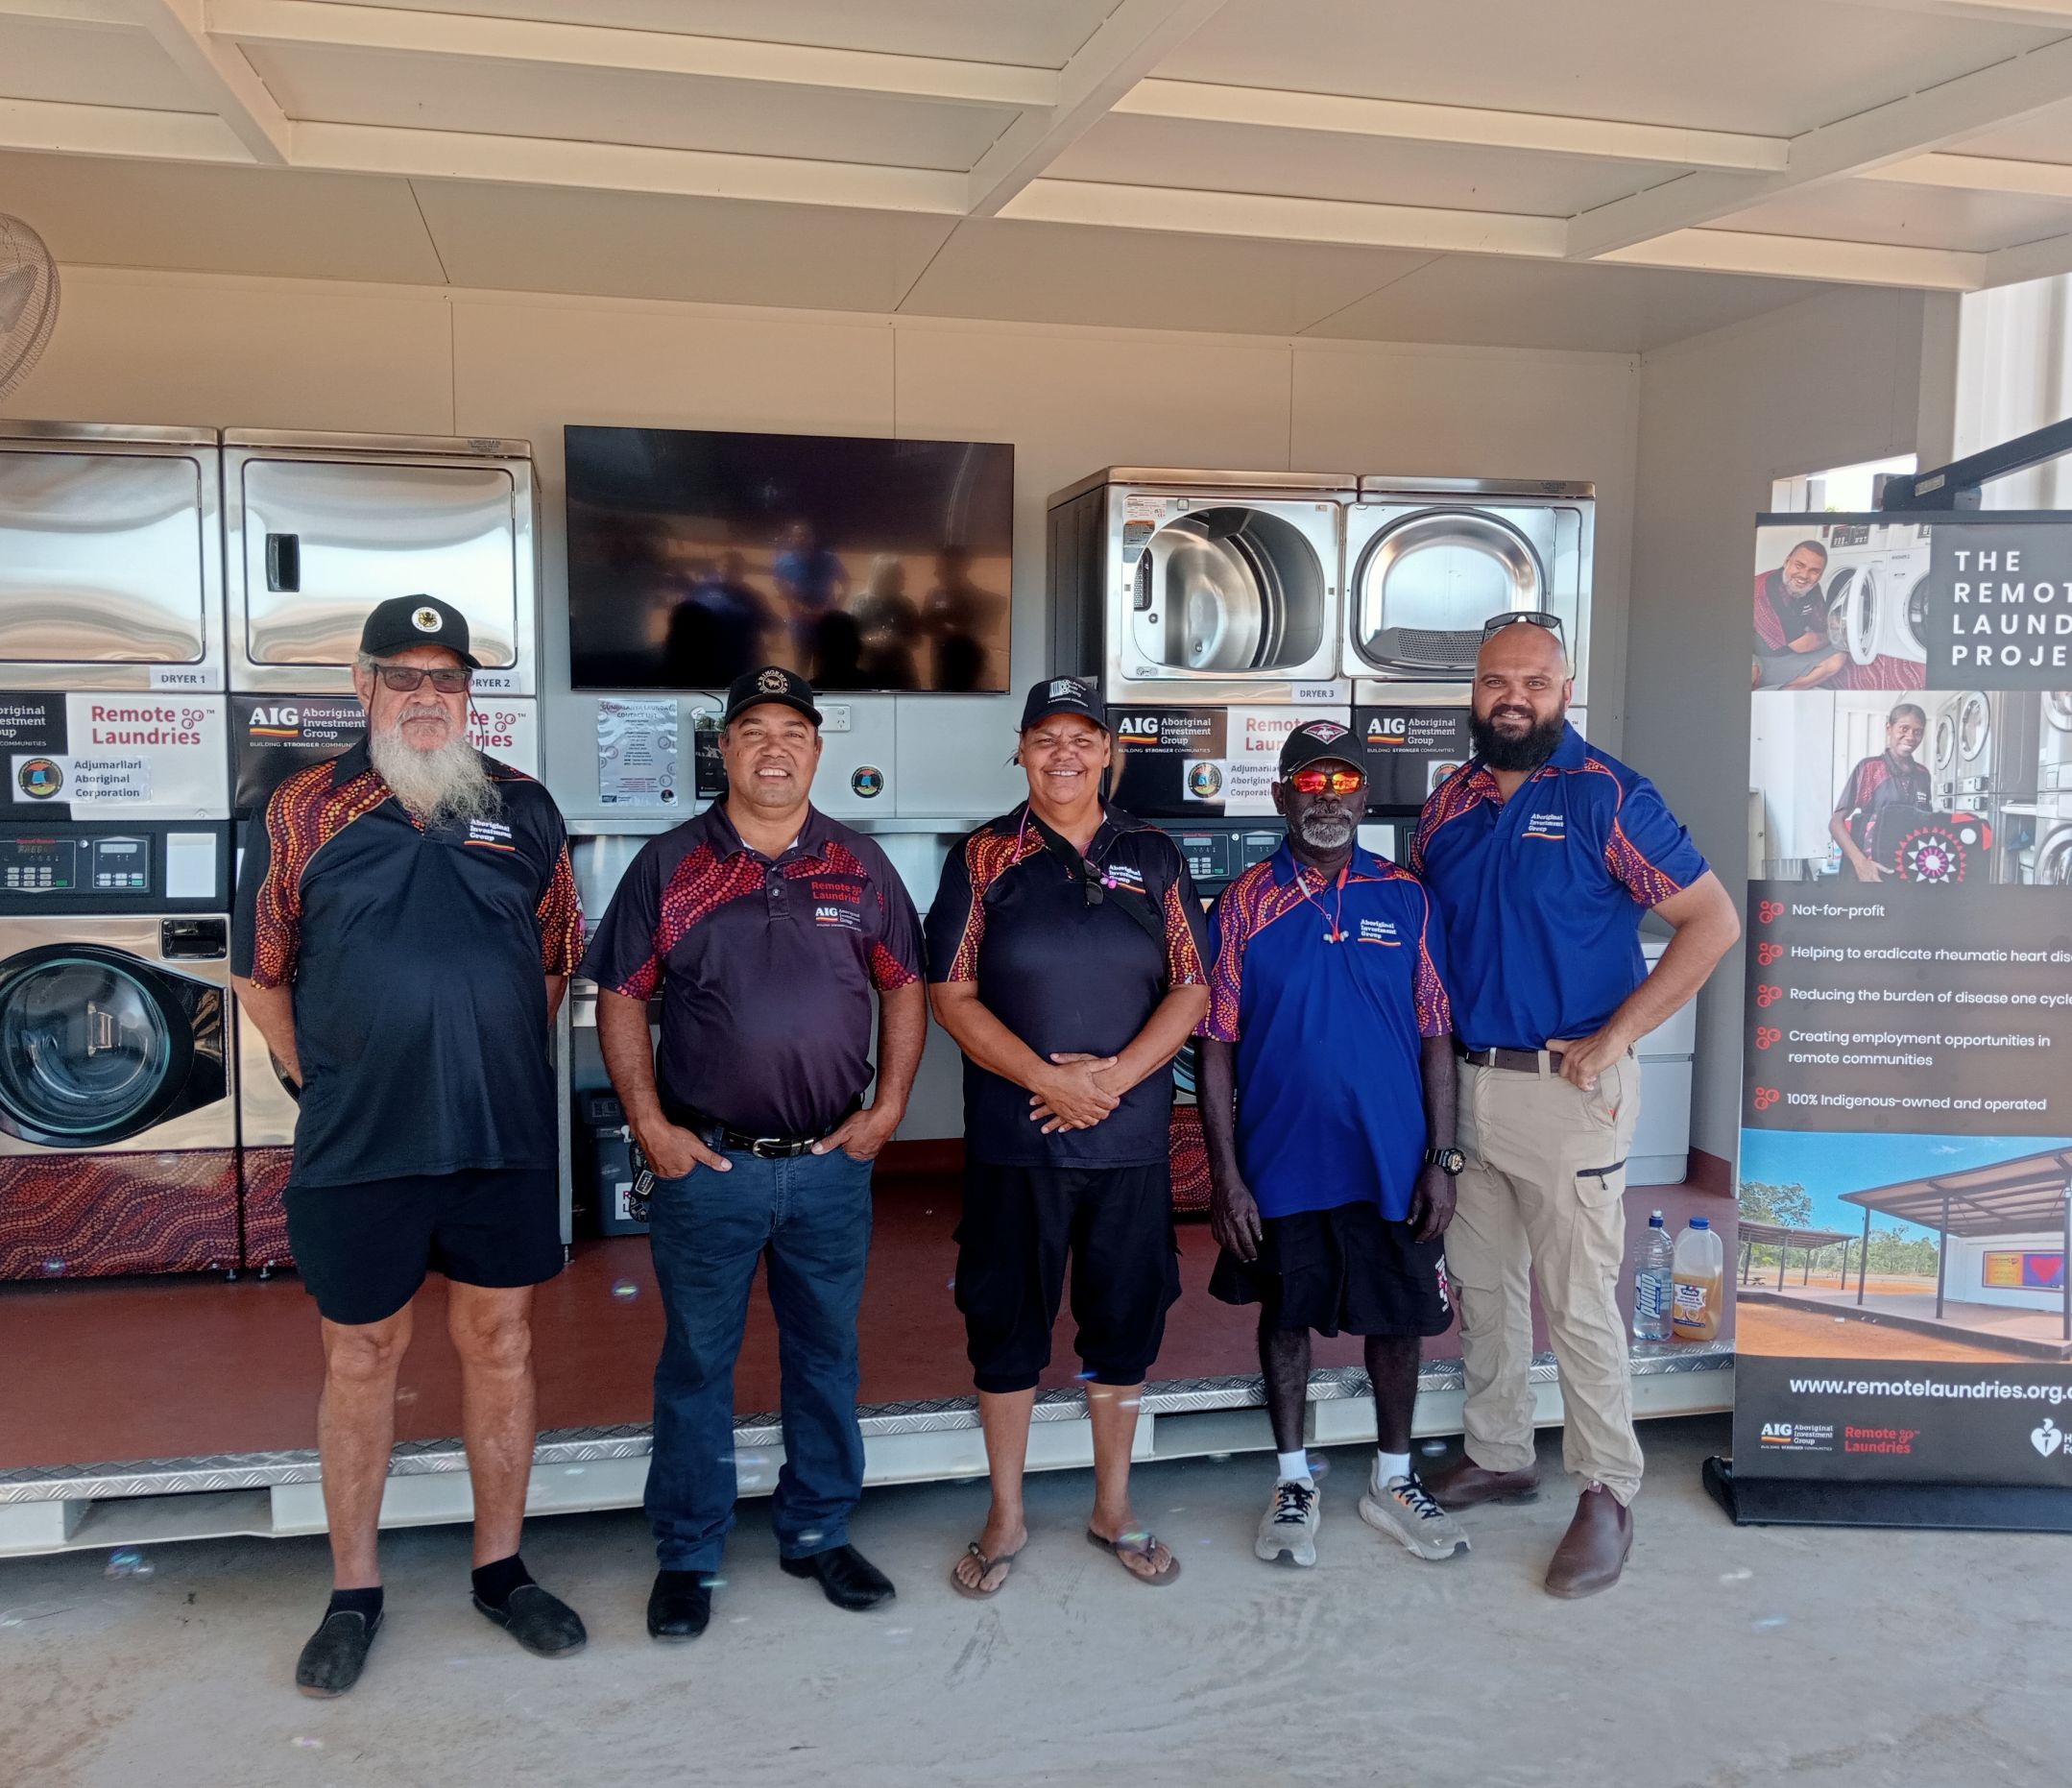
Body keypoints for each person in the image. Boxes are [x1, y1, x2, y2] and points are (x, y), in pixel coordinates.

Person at [231, 595, 587, 1696]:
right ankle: (353, 1588)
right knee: (361, 1354)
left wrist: (493, 1058)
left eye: (448, 679)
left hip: (499, 1133)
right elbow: (260, 969)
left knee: (502, 1343)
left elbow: (555, 957)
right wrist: (316, 1077)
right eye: (405, 676)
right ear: (362, 685)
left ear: (470, 694)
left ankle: (500, 1568)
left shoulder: (521, 804)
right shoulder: (302, 807)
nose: (427, 696)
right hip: (361, 1138)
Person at [583, 665, 926, 1643]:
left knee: (826, 1353)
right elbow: (619, 993)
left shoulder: (859, 866)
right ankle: (688, 1549)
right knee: (696, 1360)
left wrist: (888, 1105)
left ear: (818, 749)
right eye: (751, 731)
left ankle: (817, 1526)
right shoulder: (672, 864)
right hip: (709, 1168)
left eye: (793, 730)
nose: (773, 747)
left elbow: (905, 985)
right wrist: (649, 1123)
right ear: (723, 749)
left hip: (829, 1166)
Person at [1410, 615, 1739, 1598]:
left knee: (1580, 1294)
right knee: (1483, 1281)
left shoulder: (1610, 797)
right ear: (1474, 689)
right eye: (1495, 680)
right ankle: (1501, 1449)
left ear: (1565, 689)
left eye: (1534, 681)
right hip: (1467, 1084)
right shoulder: (1449, 805)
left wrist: (1618, 1034)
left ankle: (1605, 1488)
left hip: (1568, 1089)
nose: (1513, 696)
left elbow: (1708, 919)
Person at [926, 676, 1210, 1597]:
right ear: (1020, 751)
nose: (1064, 755)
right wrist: (1048, 1080)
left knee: (1122, 1324)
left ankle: (1112, 1504)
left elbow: (1193, 986)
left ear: (1108, 751)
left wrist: (1115, 1081)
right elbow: (950, 994)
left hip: (1128, 1145)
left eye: (1082, 739)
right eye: (1045, 738)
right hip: (1018, 1139)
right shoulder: (981, 858)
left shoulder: (1155, 853)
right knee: (1006, 1326)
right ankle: (1006, 1510)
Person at [1199, 720, 1469, 1570]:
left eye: (1343, 783)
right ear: (1280, 796)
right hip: (1280, 1164)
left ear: (1364, 795)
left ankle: (1393, 1477)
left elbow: (1437, 1036)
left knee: (1398, 1319)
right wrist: (1227, 1177)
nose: (1328, 799)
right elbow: (1215, 1044)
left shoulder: (1406, 896)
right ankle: (1293, 1479)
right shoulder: (1241, 904)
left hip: (1391, 1163)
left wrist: (1442, 1157)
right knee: (1287, 1318)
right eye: (1309, 785)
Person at [1830, 702, 1930, 882]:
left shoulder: (1923, 775)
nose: (1910, 737)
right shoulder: (1870, 768)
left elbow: (1926, 824)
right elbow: (1836, 822)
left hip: (1909, 870)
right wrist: (1861, 863)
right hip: (1871, 868)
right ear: (1889, 728)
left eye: (1918, 731)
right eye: (1904, 729)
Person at [1753, 539, 1844, 690]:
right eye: (1799, 565)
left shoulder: (1812, 589)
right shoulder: (1764, 590)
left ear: (1820, 575)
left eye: (1814, 571)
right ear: (1787, 561)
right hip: (1753, 655)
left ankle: (1784, 693)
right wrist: (1836, 635)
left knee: (1837, 658)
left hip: (1782, 659)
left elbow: (1822, 624)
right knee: (1751, 670)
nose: (1804, 575)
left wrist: (1837, 625)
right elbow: (1802, 645)